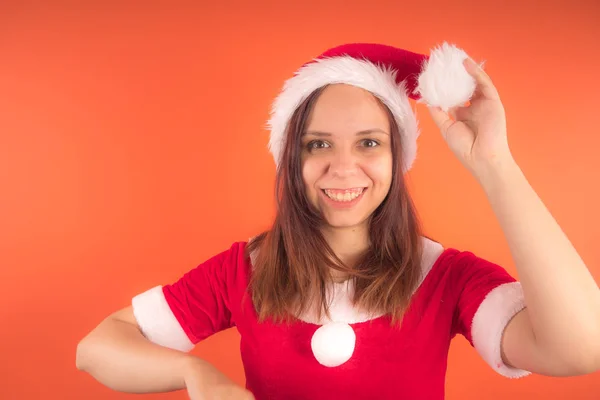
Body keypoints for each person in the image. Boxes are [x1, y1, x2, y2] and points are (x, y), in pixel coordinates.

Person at [75, 42, 600, 399]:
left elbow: (582, 347)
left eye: (369, 143)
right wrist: (195, 374)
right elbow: (96, 347)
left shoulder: (449, 277)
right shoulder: (245, 270)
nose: (343, 168)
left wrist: (495, 165)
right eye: (318, 144)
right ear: (291, 157)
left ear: (397, 156)